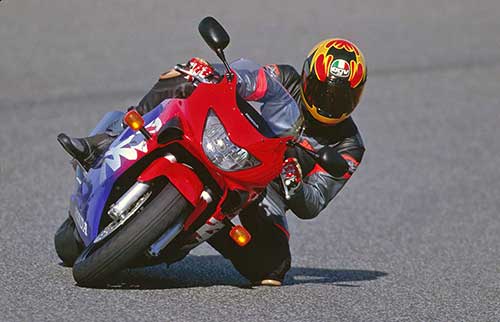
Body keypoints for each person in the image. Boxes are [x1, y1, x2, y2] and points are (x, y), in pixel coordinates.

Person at [58, 38, 367, 286]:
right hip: (232, 141)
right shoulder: (286, 79)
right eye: (322, 91)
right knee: (186, 74)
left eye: (340, 98)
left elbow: (312, 205)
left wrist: (295, 184)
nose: (328, 103)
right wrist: (218, 74)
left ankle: (205, 227)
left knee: (273, 267)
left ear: (356, 99)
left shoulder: (349, 146)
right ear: (307, 75)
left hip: (265, 188)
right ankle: (110, 139)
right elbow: (251, 79)